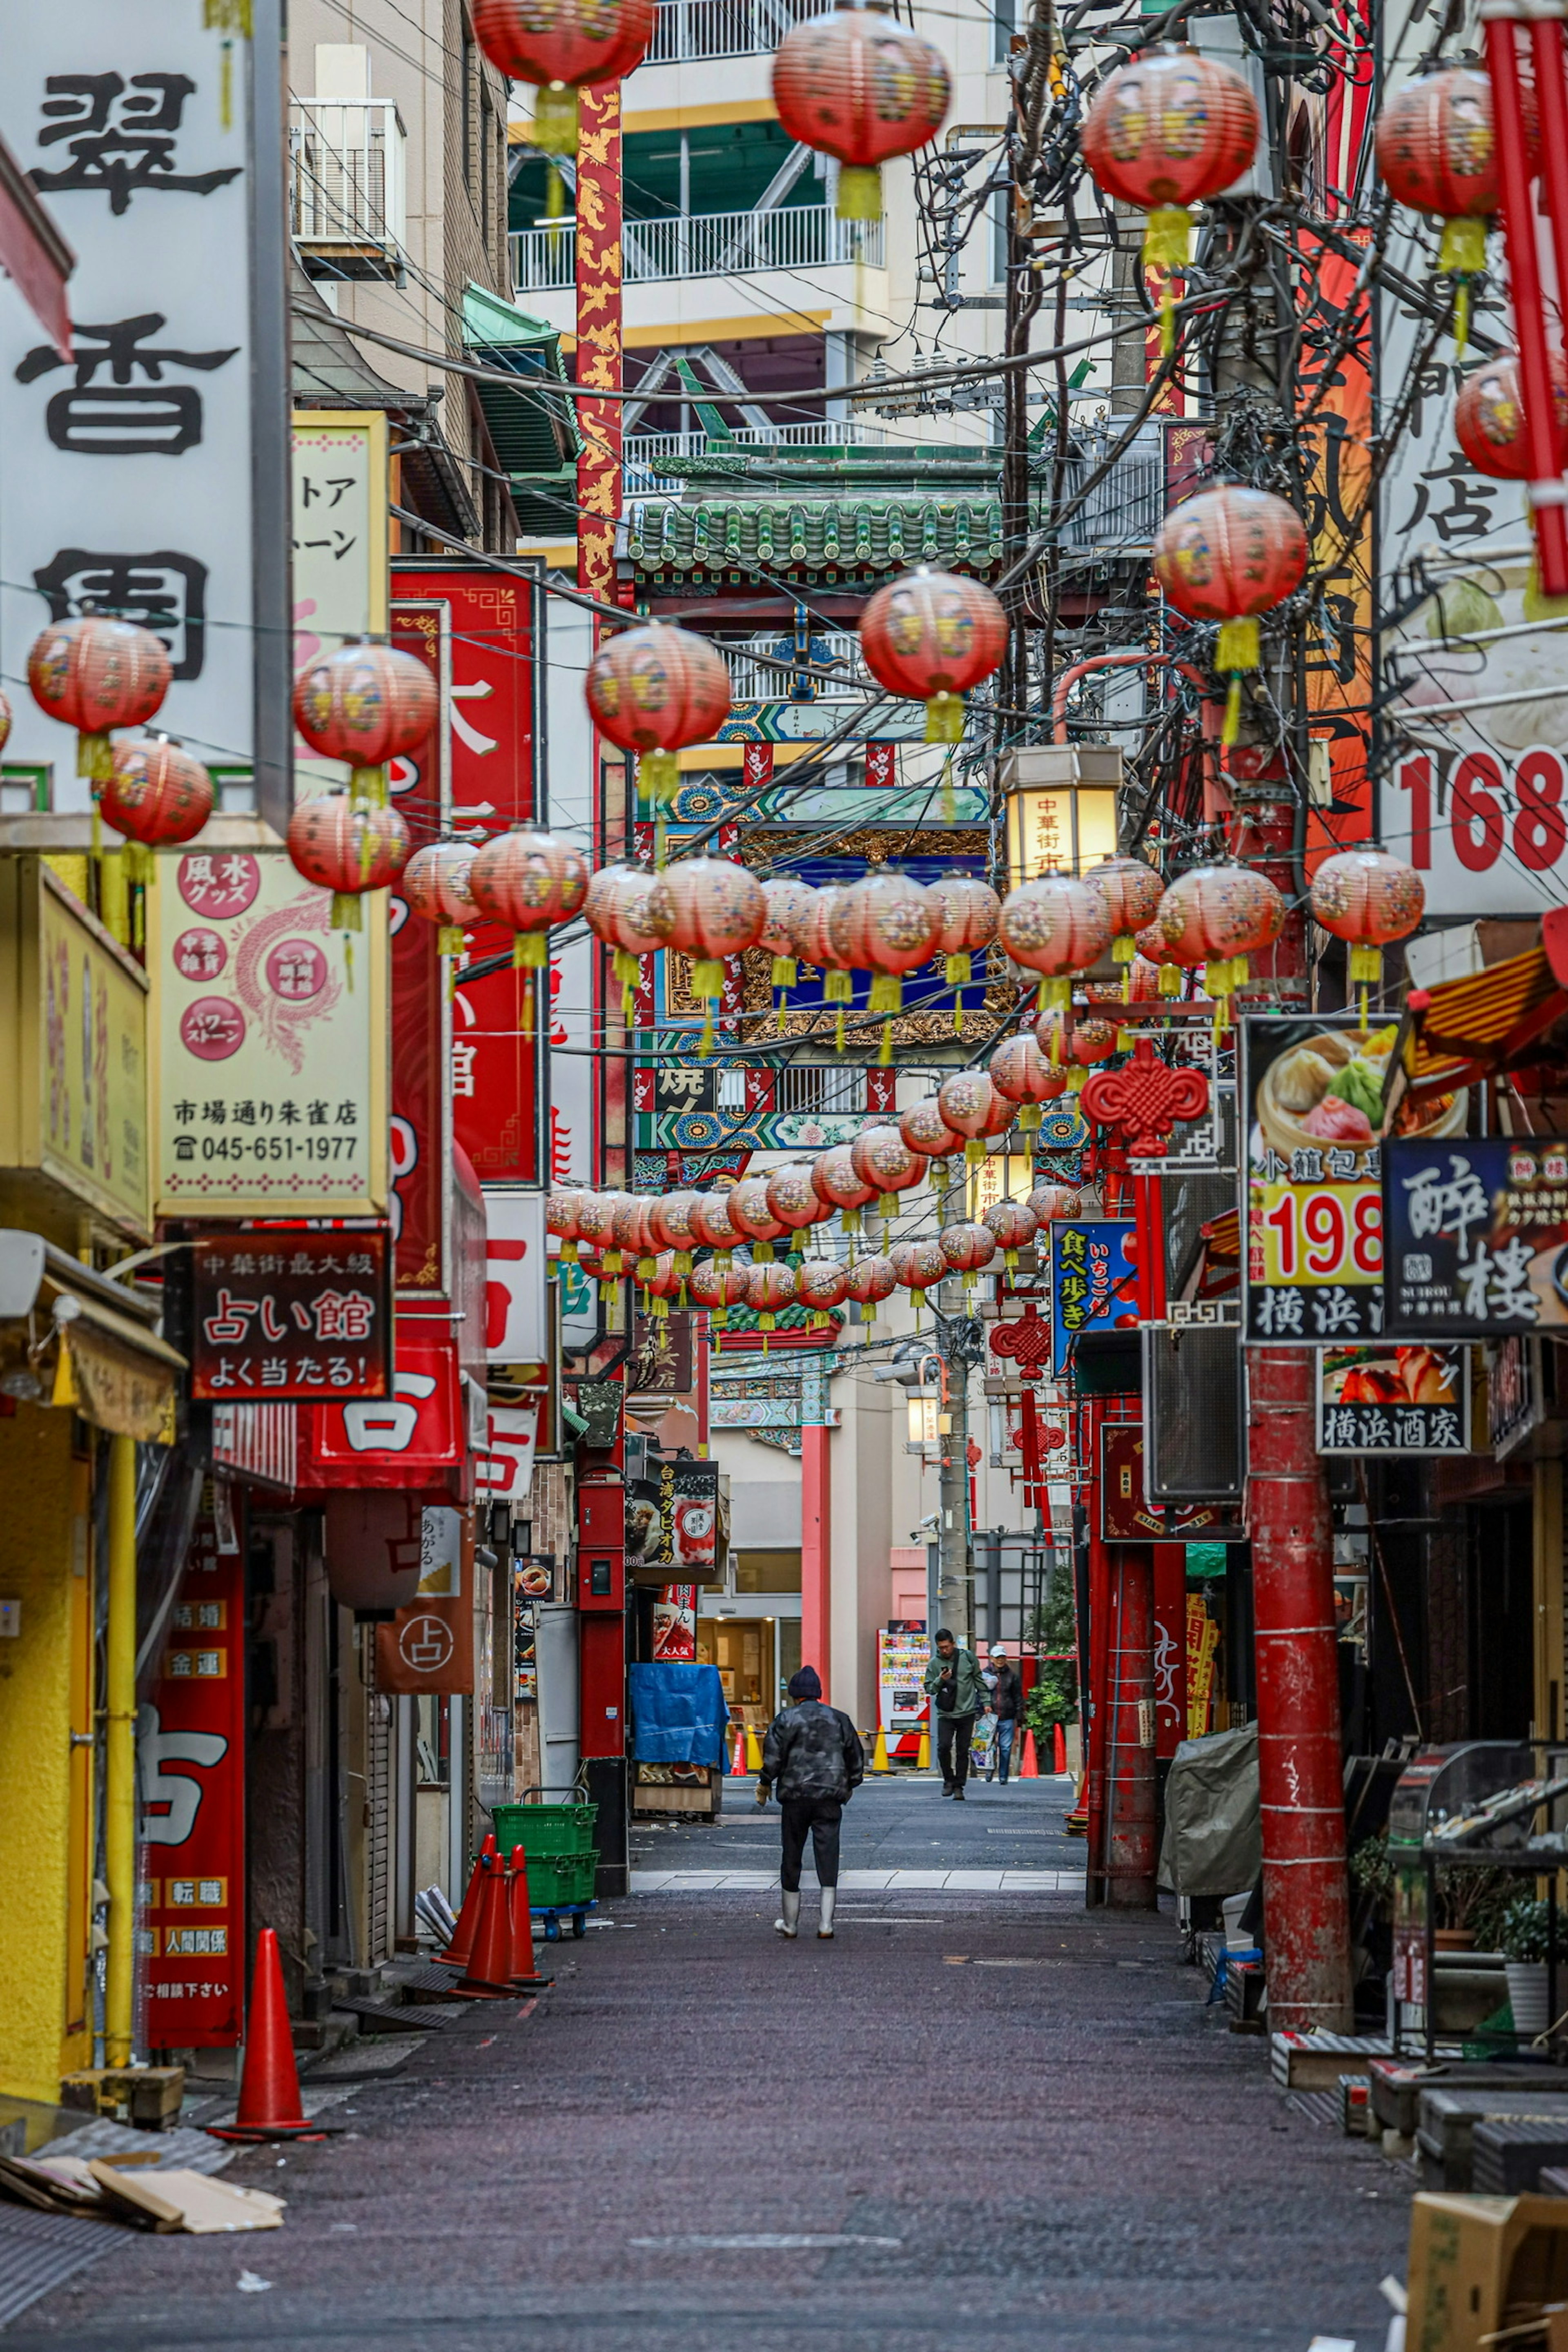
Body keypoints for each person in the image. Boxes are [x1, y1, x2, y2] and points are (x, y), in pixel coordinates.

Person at [757, 1664, 864, 1940]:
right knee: (827, 1856)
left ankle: (791, 1924)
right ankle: (826, 1923)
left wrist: (765, 1782)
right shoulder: (840, 1719)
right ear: (818, 1694)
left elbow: (773, 1757)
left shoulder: (785, 1719)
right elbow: (855, 1756)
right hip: (830, 1797)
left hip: (795, 1797)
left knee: (792, 1857)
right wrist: (851, 1784)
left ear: (795, 1695)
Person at [922, 1628, 989, 1799]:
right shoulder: (934, 1664)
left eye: (947, 1647)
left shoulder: (967, 1658)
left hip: (967, 1712)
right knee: (943, 1747)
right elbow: (929, 1689)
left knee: (962, 1750)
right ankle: (948, 1780)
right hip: (946, 1713)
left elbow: (979, 1679)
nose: (944, 1651)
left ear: (953, 1644)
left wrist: (987, 1702)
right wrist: (940, 1680)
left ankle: (959, 1786)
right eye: (941, 1648)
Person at [985, 1644, 1024, 1785]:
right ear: (992, 1659)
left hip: (1008, 1716)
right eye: (997, 1658)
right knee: (989, 1746)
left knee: (1006, 1748)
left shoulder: (1012, 1676)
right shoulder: (985, 1674)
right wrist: (979, 1712)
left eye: (1002, 1657)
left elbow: (1018, 1696)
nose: (1000, 1660)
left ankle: (1003, 1776)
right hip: (989, 1717)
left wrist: (1019, 1715)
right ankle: (989, 1769)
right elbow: (980, 1694)